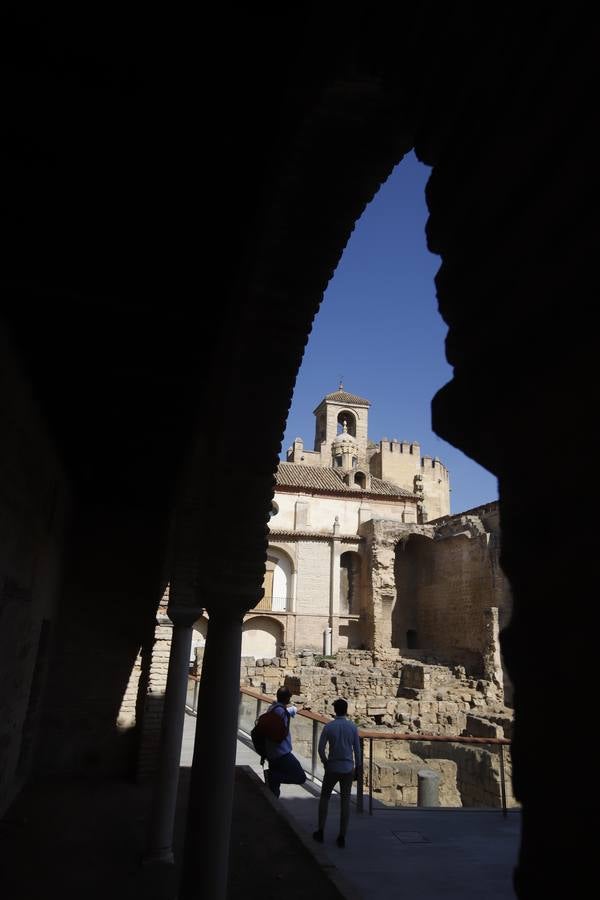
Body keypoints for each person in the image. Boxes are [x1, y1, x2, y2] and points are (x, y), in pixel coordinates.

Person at [313, 698, 361, 848]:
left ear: (335, 710)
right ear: (346, 710)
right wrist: (358, 768)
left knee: (325, 798)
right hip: (347, 768)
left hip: (332, 767)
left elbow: (321, 749)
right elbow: (357, 751)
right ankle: (342, 836)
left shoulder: (329, 727)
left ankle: (321, 830)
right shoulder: (353, 727)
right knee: (345, 802)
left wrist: (325, 762)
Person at [264, 686, 306, 798]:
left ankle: (272, 808)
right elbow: (285, 713)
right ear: (287, 698)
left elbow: (289, 711)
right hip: (281, 753)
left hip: (272, 752)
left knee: (274, 790)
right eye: (289, 697)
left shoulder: (272, 708)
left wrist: (299, 708)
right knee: (300, 776)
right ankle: (271, 776)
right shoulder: (280, 712)